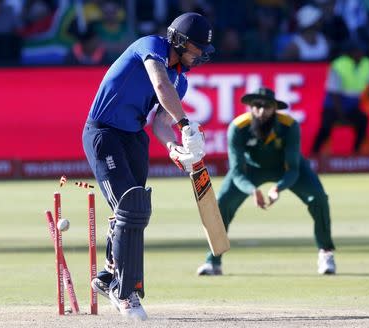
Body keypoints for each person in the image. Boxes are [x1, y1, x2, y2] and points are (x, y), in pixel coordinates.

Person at [82, 12, 214, 321]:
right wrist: (186, 124)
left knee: (134, 210)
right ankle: (125, 291)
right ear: (179, 41)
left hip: (134, 137)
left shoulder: (181, 79)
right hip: (103, 132)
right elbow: (159, 84)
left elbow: (159, 123)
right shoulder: (150, 46)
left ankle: (108, 275)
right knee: (130, 207)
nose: (200, 55)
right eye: (196, 48)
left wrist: (174, 148)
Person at [196, 87, 336, 277]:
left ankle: (325, 253)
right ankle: (213, 261)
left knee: (318, 198)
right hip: (251, 169)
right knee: (222, 203)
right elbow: (237, 172)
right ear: (250, 107)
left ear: (275, 109)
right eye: (257, 106)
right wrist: (253, 190)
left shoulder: (289, 125)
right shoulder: (238, 128)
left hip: (286, 168)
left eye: (267, 107)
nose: (261, 111)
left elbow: (293, 169)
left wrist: (279, 187)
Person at [311, 39, 369, 155]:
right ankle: (314, 153)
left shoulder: (366, 63)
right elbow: (333, 93)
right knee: (325, 126)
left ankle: (356, 152)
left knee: (363, 120)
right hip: (333, 105)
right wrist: (341, 114)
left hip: (352, 105)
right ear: (350, 52)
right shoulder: (339, 65)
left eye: (362, 51)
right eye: (358, 51)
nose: (361, 53)